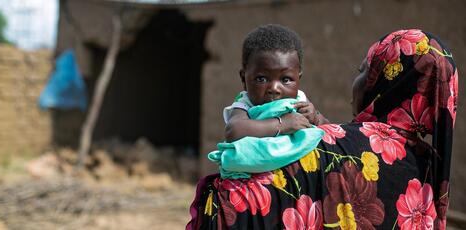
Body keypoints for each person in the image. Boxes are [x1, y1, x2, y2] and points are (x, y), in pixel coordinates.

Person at [187, 29, 457, 230]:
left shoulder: (329, 144)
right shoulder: (429, 167)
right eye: (261, 78)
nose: (273, 89)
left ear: (385, 81)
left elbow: (243, 205)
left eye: (363, 71)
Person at [208, 24, 329, 179]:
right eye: (261, 79)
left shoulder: (299, 100)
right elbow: (234, 131)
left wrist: (316, 117)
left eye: (286, 79)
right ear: (243, 78)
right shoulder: (245, 104)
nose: (274, 88)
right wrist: (282, 124)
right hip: (257, 185)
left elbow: (328, 130)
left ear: (299, 78)